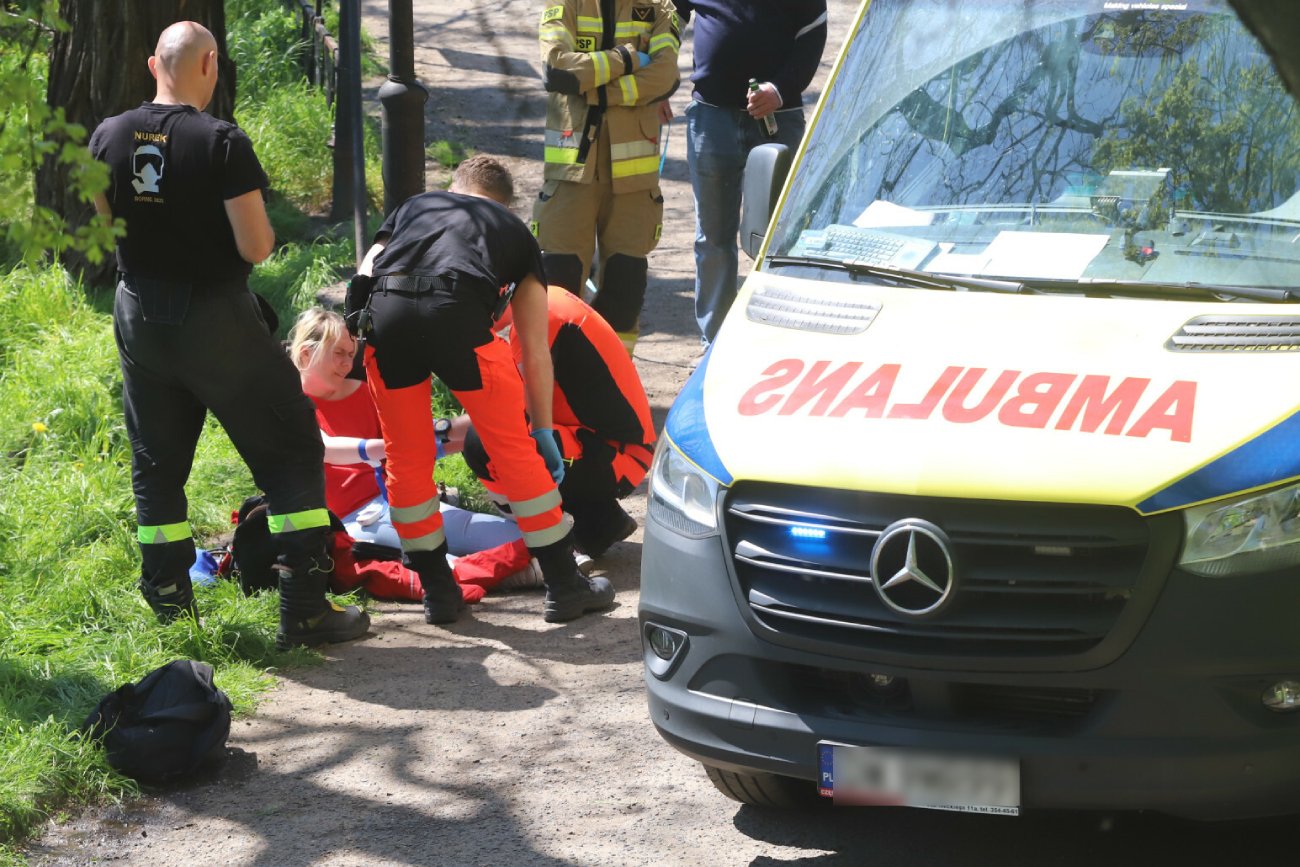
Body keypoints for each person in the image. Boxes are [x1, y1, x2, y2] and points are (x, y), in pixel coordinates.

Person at [89, 22, 368, 649]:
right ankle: (305, 609)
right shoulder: (222, 142)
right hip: (213, 317)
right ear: (210, 64)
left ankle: (169, 606)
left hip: (139, 316)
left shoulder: (107, 136)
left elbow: (108, 230)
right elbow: (257, 246)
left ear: (152, 64)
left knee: (157, 464)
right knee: (291, 447)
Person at [345, 154, 615, 625]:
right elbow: (535, 352)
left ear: (454, 188)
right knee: (514, 451)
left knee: (405, 458)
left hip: (387, 318)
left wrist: (362, 337)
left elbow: (365, 272)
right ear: (504, 205)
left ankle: (437, 591)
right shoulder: (514, 233)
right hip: (458, 316)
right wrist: (543, 430)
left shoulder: (416, 207)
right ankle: (564, 585)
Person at [287, 307, 524, 559]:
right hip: (353, 521)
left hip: (403, 501)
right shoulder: (287, 406)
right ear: (306, 354)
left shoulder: (364, 392)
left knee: (520, 539)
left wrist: (476, 432)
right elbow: (325, 448)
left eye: (351, 354)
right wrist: (400, 444)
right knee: (444, 567)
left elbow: (412, 442)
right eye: (338, 353)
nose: (347, 363)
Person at [674, 1, 829, 346]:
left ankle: (776, 341)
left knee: (784, 237)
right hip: (711, 118)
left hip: (778, 118)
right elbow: (668, 19)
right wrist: (657, 84)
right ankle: (715, 344)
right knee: (713, 237)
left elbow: (814, 32)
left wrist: (780, 89)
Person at [462, 286, 655, 560]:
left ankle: (538, 540)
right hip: (614, 450)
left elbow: (507, 415)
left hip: (615, 458)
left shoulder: (537, 318)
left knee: (483, 443)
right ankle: (601, 520)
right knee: (498, 436)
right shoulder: (545, 300)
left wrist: (441, 436)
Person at [532, 0, 681, 354]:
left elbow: (665, 76)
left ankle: (615, 377)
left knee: (624, 292)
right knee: (559, 285)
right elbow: (558, 69)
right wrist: (627, 59)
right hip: (572, 173)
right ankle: (554, 379)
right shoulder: (566, 3)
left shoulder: (660, 9)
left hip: (634, 181)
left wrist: (598, 91)